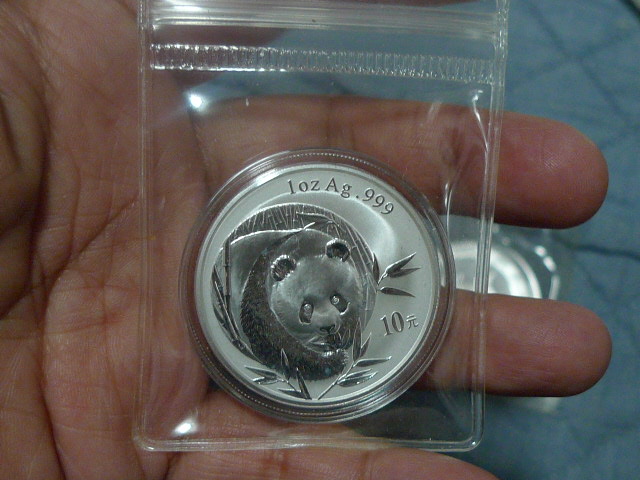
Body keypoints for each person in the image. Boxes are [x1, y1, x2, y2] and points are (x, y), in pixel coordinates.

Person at [0, 1, 612, 479]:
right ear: (276, 274)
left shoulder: (339, 262)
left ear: (350, 259)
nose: (326, 318)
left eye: (338, 302)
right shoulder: (256, 282)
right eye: (318, 306)